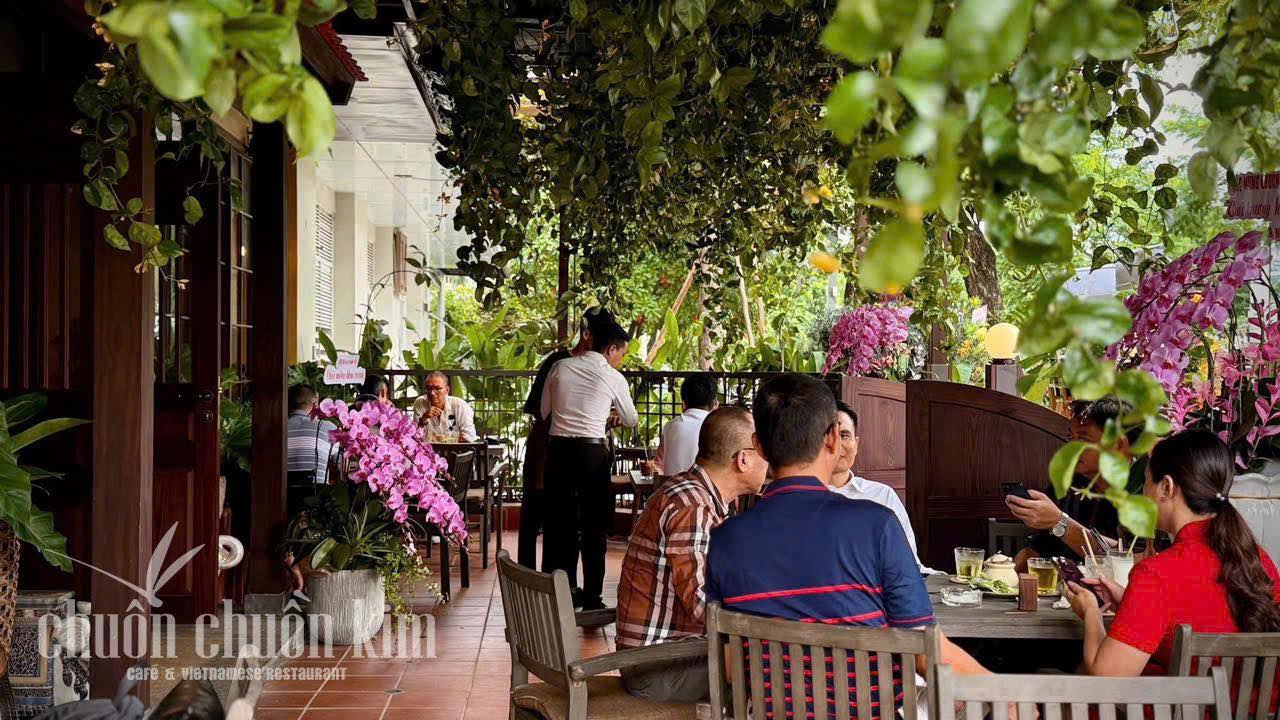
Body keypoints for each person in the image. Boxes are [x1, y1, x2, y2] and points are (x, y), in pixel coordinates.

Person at [706, 374, 990, 716]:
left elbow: (731, 665)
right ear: (832, 439)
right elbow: (926, 653)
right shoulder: (877, 526)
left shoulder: (724, 540)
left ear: (759, 446)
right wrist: (1008, 694)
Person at [1067, 430, 1280, 678]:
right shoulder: (1257, 558)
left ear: (1166, 487)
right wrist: (1129, 602)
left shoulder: (1155, 574)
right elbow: (1201, 614)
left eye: (1146, 482)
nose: (1144, 493)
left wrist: (1091, 611)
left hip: (1193, 701)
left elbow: (1108, 677)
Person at [616, 406, 768, 703]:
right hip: (657, 668)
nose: (769, 459)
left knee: (771, 664)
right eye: (763, 450)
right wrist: (769, 618)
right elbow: (702, 602)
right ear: (743, 459)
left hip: (664, 656)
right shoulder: (693, 506)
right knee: (778, 671)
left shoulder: (691, 493)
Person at [541, 319, 638, 610]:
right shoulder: (612, 376)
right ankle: (593, 597)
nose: (621, 360)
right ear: (611, 349)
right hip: (592, 456)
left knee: (561, 526)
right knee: (594, 527)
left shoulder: (559, 367)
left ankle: (564, 593)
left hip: (558, 453)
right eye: (622, 354)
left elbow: (545, 411)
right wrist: (604, 415)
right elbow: (631, 419)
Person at [517, 307, 614, 569]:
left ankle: (577, 584)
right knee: (547, 519)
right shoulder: (557, 363)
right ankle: (536, 579)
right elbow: (541, 412)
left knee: (583, 524)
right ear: (587, 335)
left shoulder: (603, 369)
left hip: (584, 457)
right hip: (550, 449)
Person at [1009, 397, 1147, 570]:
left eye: (1083, 440)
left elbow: (1129, 561)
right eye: (1070, 438)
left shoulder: (1147, 490)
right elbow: (1040, 548)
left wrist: (1060, 522)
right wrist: (1004, 573)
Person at [828, 400, 927, 571]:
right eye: (829, 436)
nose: (837, 444)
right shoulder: (801, 496)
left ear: (856, 444)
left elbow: (907, 561)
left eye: (844, 435)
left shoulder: (883, 495)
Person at [653, 372, 718, 475]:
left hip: (670, 484)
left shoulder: (670, 426)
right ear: (715, 403)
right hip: (702, 485)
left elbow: (658, 463)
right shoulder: (717, 428)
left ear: (683, 403)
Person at [286, 384, 336, 516]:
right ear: (315, 405)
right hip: (316, 504)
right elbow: (342, 466)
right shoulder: (328, 427)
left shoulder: (275, 426)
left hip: (280, 500)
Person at [413, 371, 477, 442]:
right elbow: (416, 436)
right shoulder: (420, 403)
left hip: (456, 448)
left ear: (447, 390)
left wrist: (443, 439)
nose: (432, 393)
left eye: (437, 389)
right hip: (428, 448)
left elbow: (469, 437)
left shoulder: (459, 405)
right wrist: (424, 418)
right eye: (429, 388)